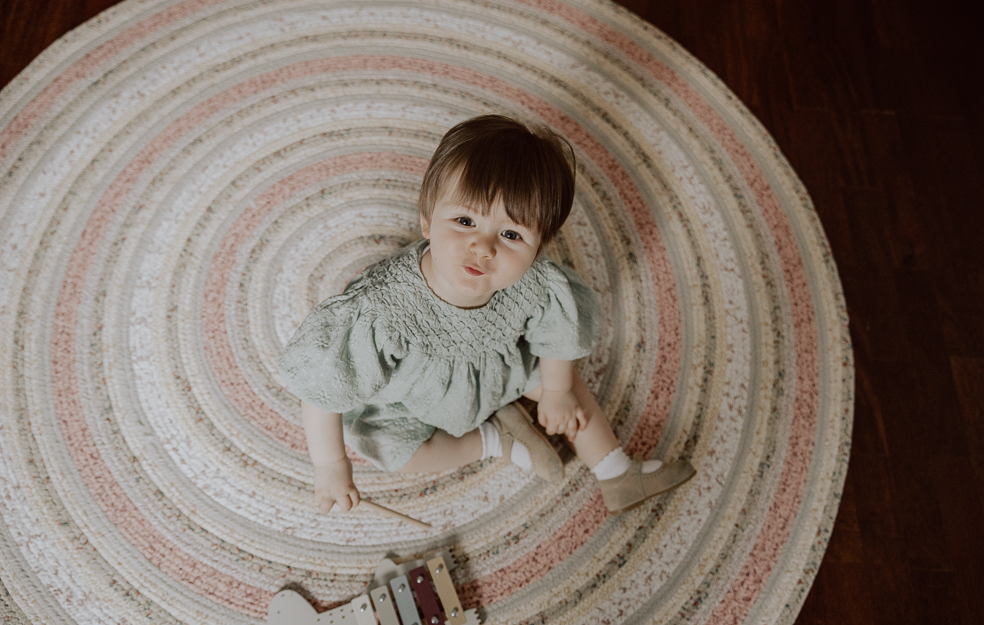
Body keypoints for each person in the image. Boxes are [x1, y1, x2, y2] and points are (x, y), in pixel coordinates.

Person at [278, 114, 694, 518]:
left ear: (539, 247)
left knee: (565, 381)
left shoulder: (533, 282)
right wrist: (330, 466)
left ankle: (616, 471)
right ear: (427, 219)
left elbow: (556, 333)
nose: (483, 247)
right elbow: (323, 388)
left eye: (511, 234)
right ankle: (496, 440)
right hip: (408, 398)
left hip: (500, 367)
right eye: (464, 221)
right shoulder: (381, 308)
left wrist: (556, 391)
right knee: (388, 450)